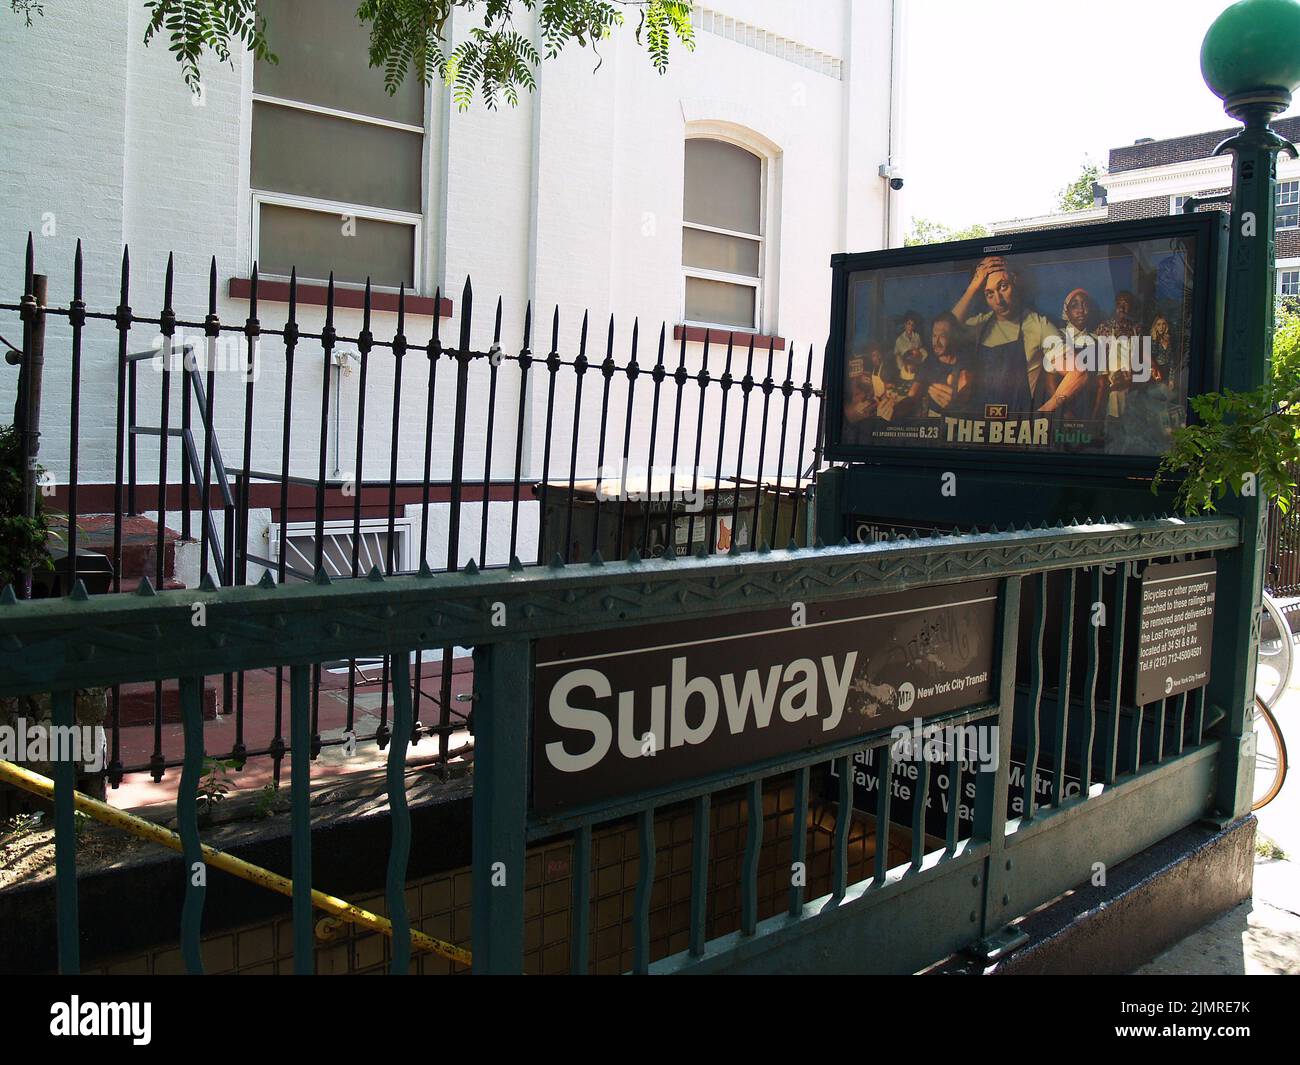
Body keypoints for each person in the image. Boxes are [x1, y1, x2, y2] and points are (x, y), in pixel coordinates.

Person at [950, 256, 1077, 414]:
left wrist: (1047, 408)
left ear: (1015, 281)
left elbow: (1077, 372)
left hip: (1016, 429)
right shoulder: (980, 325)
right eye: (989, 294)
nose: (998, 300)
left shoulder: (1037, 325)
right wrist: (972, 288)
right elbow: (945, 332)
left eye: (1003, 287)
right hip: (978, 428)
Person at [1058, 287, 1106, 420]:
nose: (1080, 310)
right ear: (1066, 312)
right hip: (1061, 409)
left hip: (1087, 409)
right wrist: (1064, 412)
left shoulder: (1096, 340)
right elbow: (1049, 381)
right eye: (1074, 306)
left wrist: (1094, 415)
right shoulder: (1057, 336)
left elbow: (1101, 383)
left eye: (1085, 305)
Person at [922, 311, 972, 416]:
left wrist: (957, 403)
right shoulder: (929, 361)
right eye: (934, 336)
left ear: (953, 337)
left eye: (942, 336)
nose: (936, 342)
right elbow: (913, 394)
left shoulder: (965, 362)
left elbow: (966, 387)